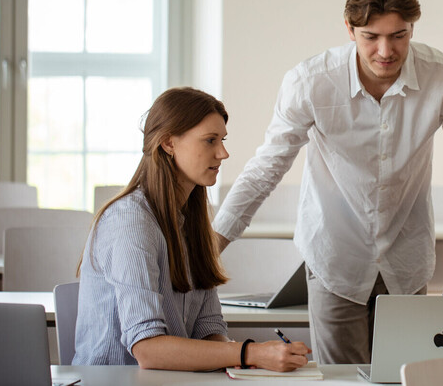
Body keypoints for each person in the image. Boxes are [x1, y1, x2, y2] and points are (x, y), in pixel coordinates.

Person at [212, 0, 443, 364]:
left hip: (406, 257)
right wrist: (213, 244)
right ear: (349, 28)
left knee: (405, 377)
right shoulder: (311, 82)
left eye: (399, 35)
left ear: (413, 28)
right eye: (371, 36)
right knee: (340, 385)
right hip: (335, 257)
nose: (385, 51)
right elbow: (266, 168)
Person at [74, 87, 311, 371]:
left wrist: (248, 363)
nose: (223, 153)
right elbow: (148, 349)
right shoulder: (130, 223)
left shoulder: (190, 222)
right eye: (210, 140)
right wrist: (251, 354)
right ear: (168, 143)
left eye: (222, 140)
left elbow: (208, 326)